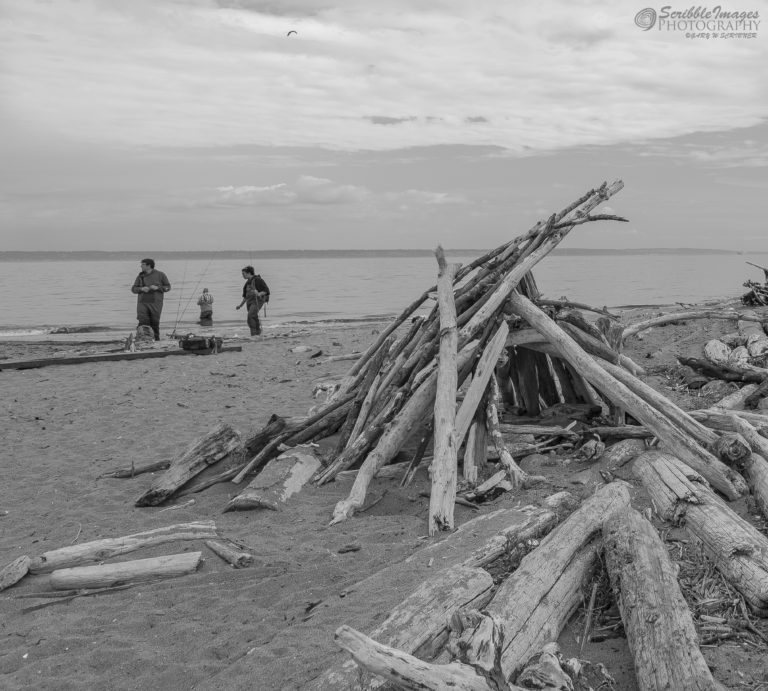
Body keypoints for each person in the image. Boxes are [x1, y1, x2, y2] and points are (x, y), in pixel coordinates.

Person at [131, 258, 171, 341]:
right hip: (142, 304)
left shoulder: (160, 275)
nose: (141, 266)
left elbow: (168, 287)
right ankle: (142, 340)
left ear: (149, 266)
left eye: (143, 264)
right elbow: (133, 289)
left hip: (156, 304)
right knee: (143, 323)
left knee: (155, 324)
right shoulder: (140, 276)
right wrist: (141, 289)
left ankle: (156, 340)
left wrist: (157, 287)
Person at [236, 266, 270, 336]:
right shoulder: (246, 283)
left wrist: (259, 293)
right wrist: (240, 305)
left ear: (249, 273)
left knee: (250, 316)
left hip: (258, 301)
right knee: (253, 317)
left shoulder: (258, 280)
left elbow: (267, 291)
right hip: (249, 302)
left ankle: (254, 334)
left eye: (243, 273)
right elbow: (245, 297)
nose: (242, 275)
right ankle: (258, 332)